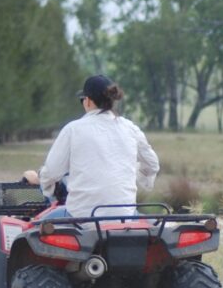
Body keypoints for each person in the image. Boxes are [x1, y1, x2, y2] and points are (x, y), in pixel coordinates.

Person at [23, 74, 159, 219]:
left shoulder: (73, 130)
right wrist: (133, 174)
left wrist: (43, 181)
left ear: (87, 101)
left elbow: (52, 172)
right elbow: (152, 164)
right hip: (125, 216)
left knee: (38, 224)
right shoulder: (130, 128)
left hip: (80, 217)